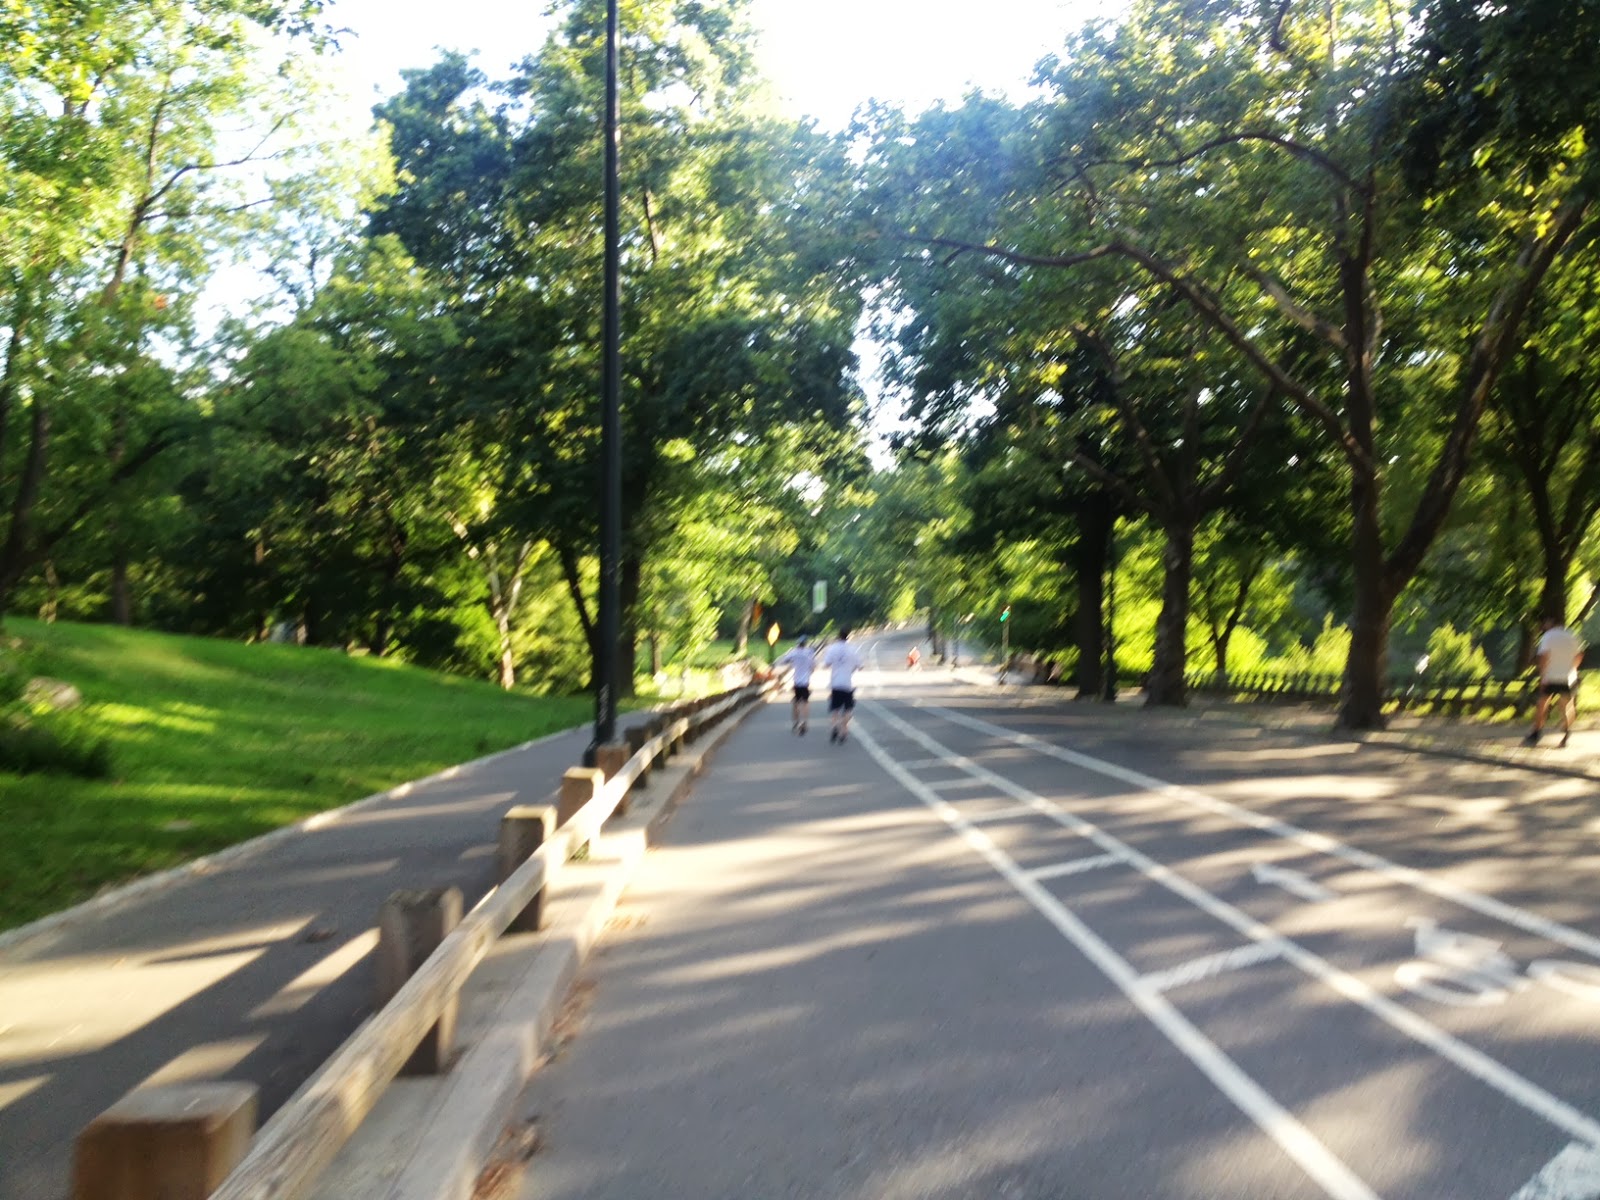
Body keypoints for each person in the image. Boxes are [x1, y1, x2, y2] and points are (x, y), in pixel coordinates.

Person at [1526, 614, 1584, 747]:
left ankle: (1536, 733)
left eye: (1544, 623)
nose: (1543, 626)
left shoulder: (1548, 636)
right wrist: (1572, 668)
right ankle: (1567, 732)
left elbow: (1544, 657)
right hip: (1568, 676)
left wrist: (1543, 676)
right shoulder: (1572, 634)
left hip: (1551, 676)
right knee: (1567, 705)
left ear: (1550, 621)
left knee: (1542, 704)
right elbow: (1580, 654)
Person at [820, 628, 866, 744]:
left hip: (835, 683)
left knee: (835, 709)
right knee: (848, 710)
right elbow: (860, 666)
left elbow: (825, 665)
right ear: (848, 636)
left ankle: (835, 726)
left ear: (838, 636)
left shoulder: (832, 649)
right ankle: (843, 732)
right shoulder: (852, 649)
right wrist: (852, 667)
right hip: (847, 684)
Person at [773, 635, 818, 735]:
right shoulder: (809, 653)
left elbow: (784, 661)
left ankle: (796, 722)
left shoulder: (794, 652)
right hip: (805, 681)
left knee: (796, 702)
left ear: (798, 643)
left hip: (796, 681)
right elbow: (813, 666)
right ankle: (805, 723)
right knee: (805, 702)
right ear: (806, 643)